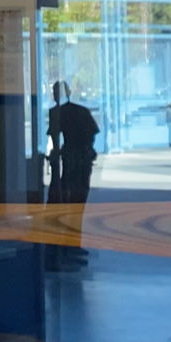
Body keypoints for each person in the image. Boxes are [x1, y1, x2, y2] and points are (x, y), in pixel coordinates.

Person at [46, 82, 99, 269]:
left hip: (72, 160)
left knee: (68, 202)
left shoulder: (56, 113)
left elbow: (53, 135)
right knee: (77, 203)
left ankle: (69, 245)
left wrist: (59, 152)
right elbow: (92, 134)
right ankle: (72, 244)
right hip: (81, 160)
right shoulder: (81, 111)